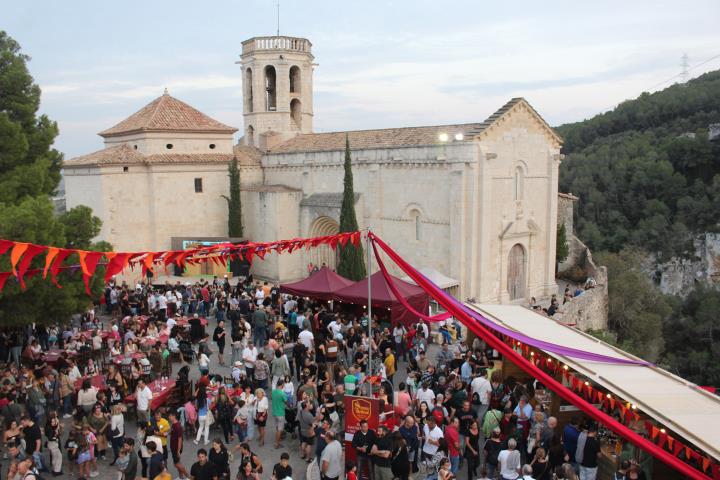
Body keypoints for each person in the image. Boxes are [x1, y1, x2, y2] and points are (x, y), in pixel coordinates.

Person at [45, 411, 64, 476]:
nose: (54, 422)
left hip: (52, 444)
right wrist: (56, 438)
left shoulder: (49, 426)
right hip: (53, 444)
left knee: (55, 457)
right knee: (58, 456)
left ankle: (55, 469)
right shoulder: (49, 428)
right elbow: (50, 437)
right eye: (53, 422)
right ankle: (56, 471)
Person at [271, 378, 288, 449]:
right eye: (283, 384)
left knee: (277, 427)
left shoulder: (273, 392)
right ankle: (277, 443)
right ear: (282, 385)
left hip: (274, 412)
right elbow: (286, 401)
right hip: (280, 413)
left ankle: (278, 439)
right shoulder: (282, 393)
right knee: (280, 429)